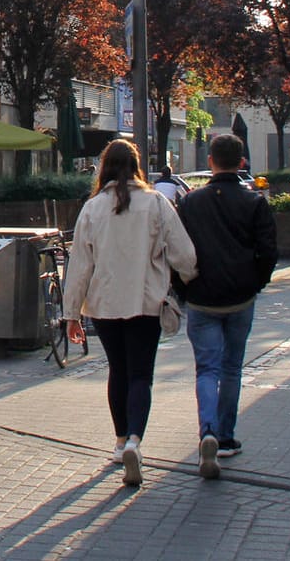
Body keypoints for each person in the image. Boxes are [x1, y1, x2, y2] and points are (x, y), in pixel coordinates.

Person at [61, 139, 199, 488]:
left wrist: (71, 314)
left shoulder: (92, 209)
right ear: (137, 166)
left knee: (117, 371)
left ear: (104, 167)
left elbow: (79, 265)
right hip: (145, 302)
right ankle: (136, 440)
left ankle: (120, 440)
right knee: (141, 374)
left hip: (104, 304)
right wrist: (191, 278)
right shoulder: (156, 203)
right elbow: (184, 254)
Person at [173, 133, 277, 478]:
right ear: (241, 162)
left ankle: (208, 431)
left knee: (207, 369)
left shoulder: (191, 202)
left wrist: (183, 288)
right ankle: (227, 436)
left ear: (211, 162)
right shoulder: (254, 203)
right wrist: (256, 282)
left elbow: (177, 251)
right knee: (232, 368)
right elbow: (269, 251)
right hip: (240, 297)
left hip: (202, 296)